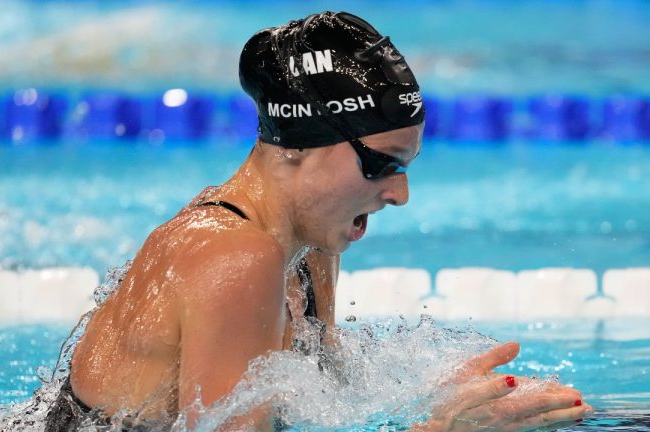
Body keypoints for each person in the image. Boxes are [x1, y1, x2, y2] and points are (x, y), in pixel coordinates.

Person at [46, 11, 593, 431]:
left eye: (405, 167)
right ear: (297, 148)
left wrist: (432, 400)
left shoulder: (309, 245)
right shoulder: (236, 258)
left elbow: (323, 405)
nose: (400, 194)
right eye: (381, 165)